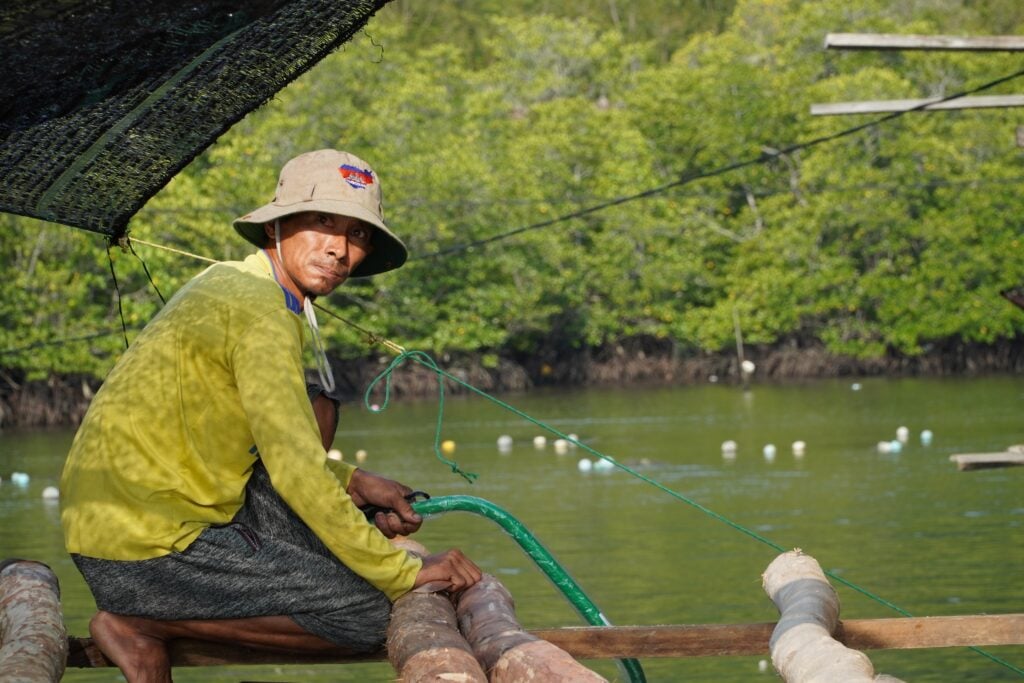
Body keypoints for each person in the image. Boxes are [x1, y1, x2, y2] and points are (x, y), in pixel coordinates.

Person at [60, 149, 482, 683]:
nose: (339, 248)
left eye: (358, 235)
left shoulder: (241, 285)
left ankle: (163, 614)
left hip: (130, 528)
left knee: (333, 477)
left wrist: (354, 481)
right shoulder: (261, 309)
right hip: (144, 549)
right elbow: (294, 469)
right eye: (323, 222)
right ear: (277, 226)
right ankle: (142, 624)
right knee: (367, 612)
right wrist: (403, 574)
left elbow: (278, 448)